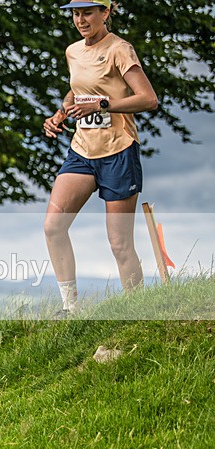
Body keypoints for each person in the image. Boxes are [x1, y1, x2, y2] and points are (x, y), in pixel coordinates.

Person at [43, 0, 158, 316]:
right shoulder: (73, 51)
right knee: (53, 227)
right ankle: (70, 309)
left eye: (87, 13)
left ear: (105, 13)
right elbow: (78, 90)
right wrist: (61, 113)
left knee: (120, 244)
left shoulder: (120, 49)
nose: (80, 20)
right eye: (76, 13)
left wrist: (102, 105)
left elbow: (149, 99)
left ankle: (136, 312)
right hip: (82, 151)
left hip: (118, 151)